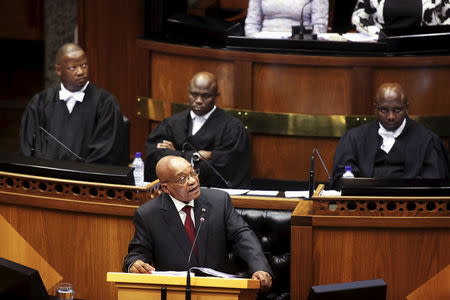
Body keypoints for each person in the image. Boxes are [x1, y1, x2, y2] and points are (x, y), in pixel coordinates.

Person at [123, 156, 273, 290]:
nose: (193, 181)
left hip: (220, 290)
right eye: (182, 179)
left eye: (193, 173)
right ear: (166, 188)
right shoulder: (149, 214)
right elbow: (137, 252)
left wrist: (260, 268)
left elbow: (242, 235)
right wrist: (135, 264)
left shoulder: (219, 201)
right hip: (175, 292)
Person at [20, 43, 126, 165]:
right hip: (46, 178)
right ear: (59, 70)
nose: (80, 72)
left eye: (84, 65)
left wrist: (79, 175)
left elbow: (106, 150)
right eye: (72, 68)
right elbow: (28, 146)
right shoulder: (40, 102)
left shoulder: (105, 103)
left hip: (84, 179)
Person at [145, 71, 250, 188]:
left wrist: (174, 154)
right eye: (194, 94)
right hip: (173, 192)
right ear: (188, 91)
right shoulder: (171, 123)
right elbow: (155, 155)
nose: (199, 100)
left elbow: (226, 165)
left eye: (206, 96)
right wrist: (196, 156)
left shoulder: (232, 127)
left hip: (213, 194)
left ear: (216, 96)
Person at [331, 82, 449, 186]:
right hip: (365, 206)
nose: (391, 116)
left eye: (397, 110)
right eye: (384, 110)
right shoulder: (353, 139)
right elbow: (343, 180)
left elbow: (434, 184)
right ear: (375, 108)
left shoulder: (427, 140)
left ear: (406, 108)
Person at [352, 0, 450, 36]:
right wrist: (373, 33)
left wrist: (440, 35)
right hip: (385, 48)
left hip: (431, 49)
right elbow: (357, 16)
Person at [245, 0, 329, 38]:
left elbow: (319, 26)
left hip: (300, 44)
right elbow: (251, 24)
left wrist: (308, 46)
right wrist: (254, 44)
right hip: (264, 45)